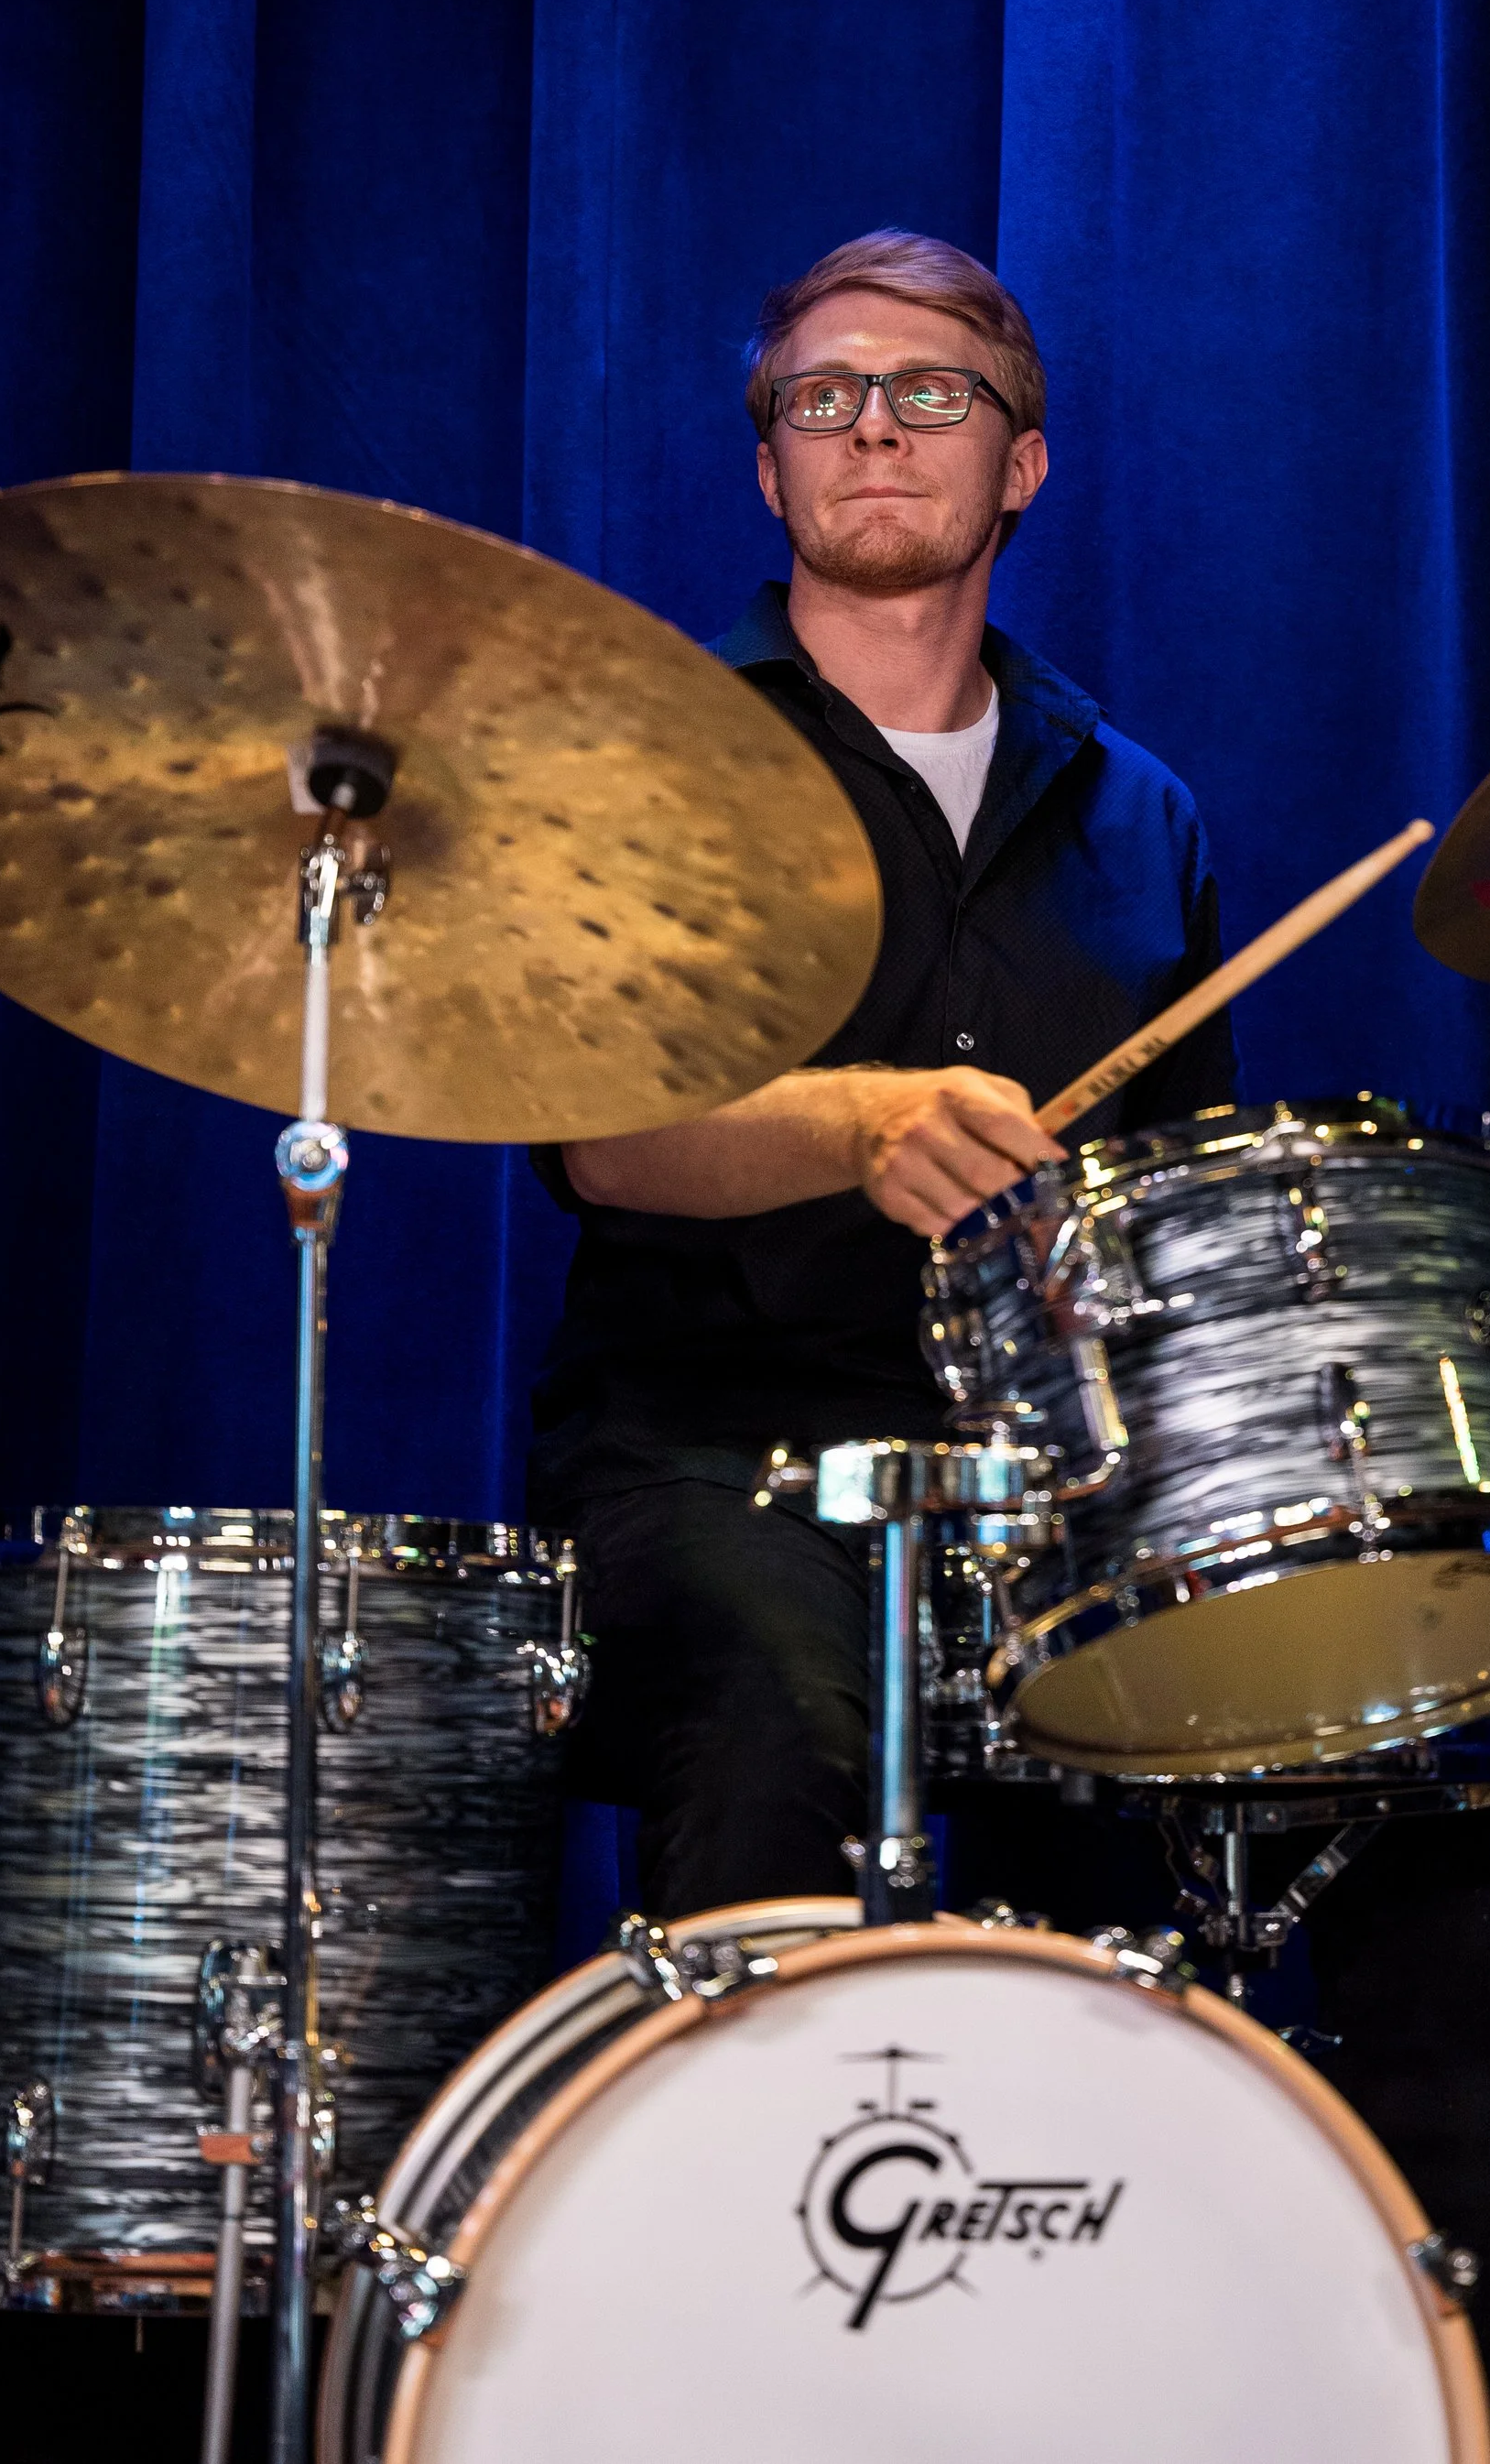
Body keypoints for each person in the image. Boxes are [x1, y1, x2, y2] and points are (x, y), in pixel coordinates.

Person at [527, 228, 1234, 1923]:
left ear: (1024, 464)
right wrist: (864, 1120)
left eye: (933, 393)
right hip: (716, 1461)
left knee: (1339, 1751)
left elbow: (1183, 1203)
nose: (875, 428)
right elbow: (600, 1136)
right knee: (793, 1722)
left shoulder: (1141, 814)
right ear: (770, 467)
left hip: (1048, 1481)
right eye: (822, 397)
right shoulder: (654, 751)